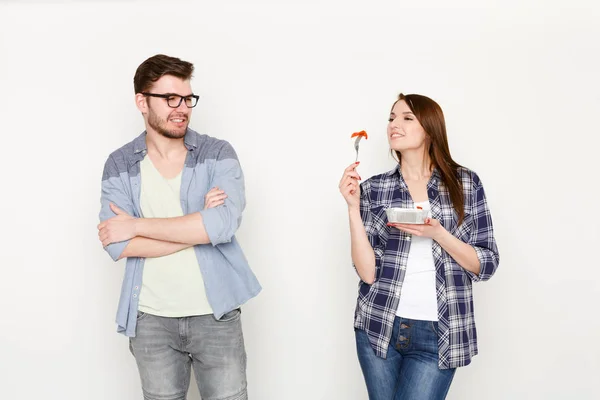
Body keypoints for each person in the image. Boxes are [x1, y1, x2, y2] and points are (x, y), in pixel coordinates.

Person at [97, 54, 261, 400]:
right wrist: (197, 226)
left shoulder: (217, 153)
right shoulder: (119, 164)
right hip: (151, 322)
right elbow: (117, 244)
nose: (182, 107)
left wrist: (137, 226)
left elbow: (222, 226)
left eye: (187, 98)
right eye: (170, 98)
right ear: (142, 101)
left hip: (215, 317)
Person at [338, 93, 499, 399]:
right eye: (391, 118)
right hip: (379, 324)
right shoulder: (374, 188)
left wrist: (439, 234)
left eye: (406, 118)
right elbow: (368, 273)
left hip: (438, 332)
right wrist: (352, 208)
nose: (394, 124)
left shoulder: (464, 184)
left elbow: (487, 263)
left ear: (429, 129)